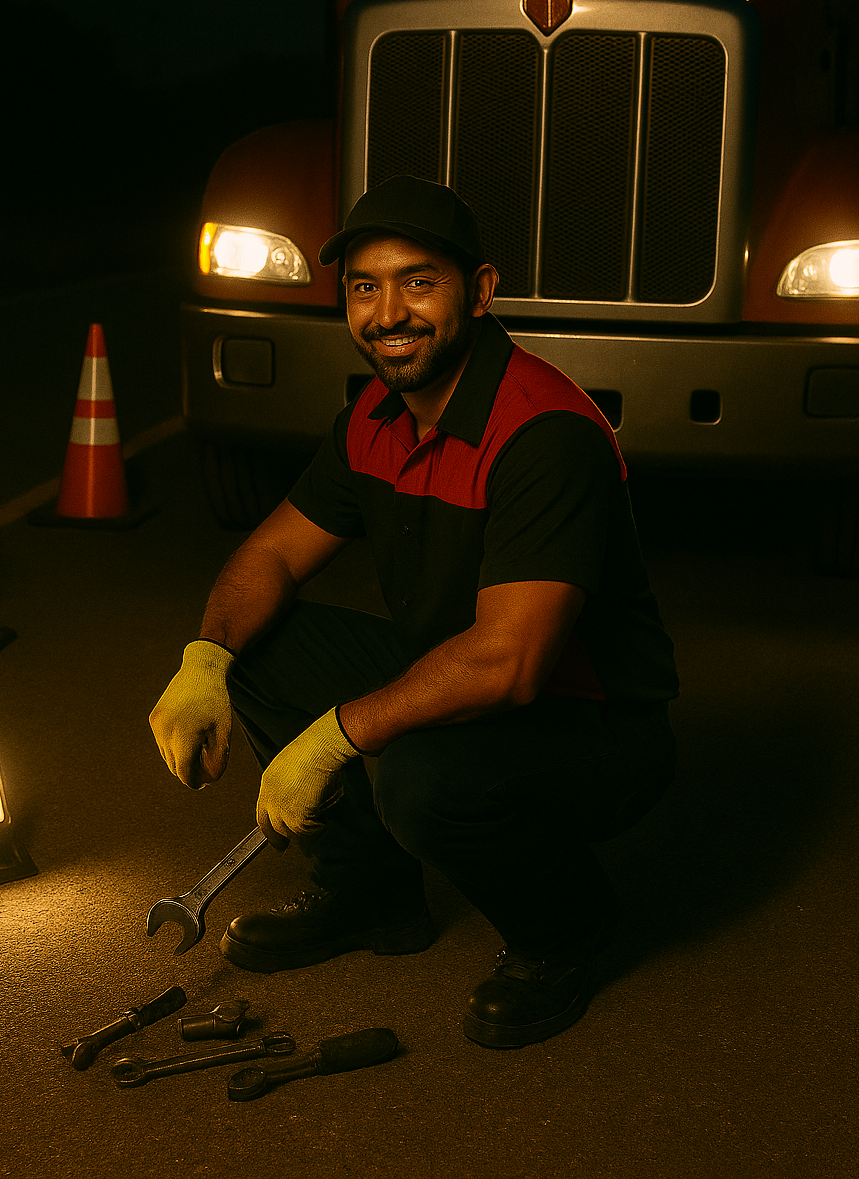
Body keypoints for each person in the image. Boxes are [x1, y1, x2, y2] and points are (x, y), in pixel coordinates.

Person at [149, 175, 678, 1048]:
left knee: (419, 781)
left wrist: (333, 737)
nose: (389, 312)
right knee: (261, 644)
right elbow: (272, 554)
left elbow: (509, 665)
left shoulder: (544, 432)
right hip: (466, 673)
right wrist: (204, 661)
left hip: (594, 725)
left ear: (481, 290)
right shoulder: (374, 415)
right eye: (365, 287)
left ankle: (566, 927)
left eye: (419, 281)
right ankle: (370, 894)